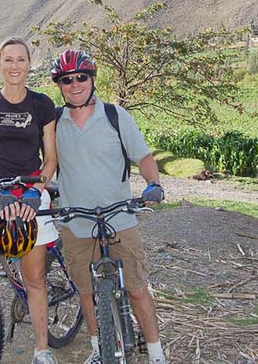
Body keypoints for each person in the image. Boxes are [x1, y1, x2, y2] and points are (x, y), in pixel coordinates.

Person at [50, 49, 167, 364]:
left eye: (81, 77)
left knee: (137, 289)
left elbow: (142, 157)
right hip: (77, 222)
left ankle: (156, 355)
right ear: (59, 85)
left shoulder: (116, 116)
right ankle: (99, 349)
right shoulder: (55, 124)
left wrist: (153, 184)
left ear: (92, 79)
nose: (75, 84)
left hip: (120, 218)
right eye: (66, 79)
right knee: (86, 293)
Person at [0, 37, 59, 364]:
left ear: (29, 64)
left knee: (34, 280)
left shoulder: (43, 105)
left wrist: (35, 193)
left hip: (32, 196)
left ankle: (42, 351)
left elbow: (51, 160)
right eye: (8, 60)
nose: (15, 65)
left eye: (21, 59)